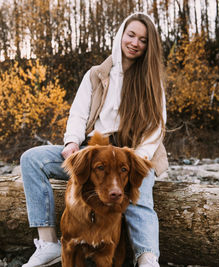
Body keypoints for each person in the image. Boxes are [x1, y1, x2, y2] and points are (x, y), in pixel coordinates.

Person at [20, 12, 168, 267]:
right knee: (32, 159)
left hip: (132, 153)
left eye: (143, 40)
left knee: (139, 196)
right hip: (93, 150)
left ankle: (146, 256)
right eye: (131, 35)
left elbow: (156, 128)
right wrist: (72, 143)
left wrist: (137, 160)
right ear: (121, 35)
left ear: (149, 46)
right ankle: (48, 243)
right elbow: (78, 113)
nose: (135, 43)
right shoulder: (96, 74)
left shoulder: (152, 82)